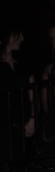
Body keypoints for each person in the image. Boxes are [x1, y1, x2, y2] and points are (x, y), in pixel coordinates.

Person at [0, 18, 35, 152]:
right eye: (19, 34)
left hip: (23, 126)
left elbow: (33, 96)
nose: (22, 38)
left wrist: (32, 118)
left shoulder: (23, 64)